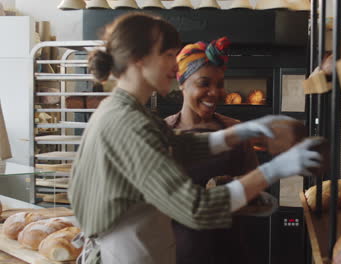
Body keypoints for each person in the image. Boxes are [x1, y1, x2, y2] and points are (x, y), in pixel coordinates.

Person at [68, 13, 322, 264]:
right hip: (129, 255)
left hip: (144, 247)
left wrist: (244, 131)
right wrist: (275, 169)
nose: (174, 66)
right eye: (168, 55)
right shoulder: (128, 123)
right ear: (139, 60)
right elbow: (195, 209)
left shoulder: (126, 110)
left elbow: (177, 143)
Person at [165, 37, 258, 264]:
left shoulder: (235, 130)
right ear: (182, 83)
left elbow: (257, 187)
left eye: (219, 84)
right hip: (175, 254)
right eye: (204, 83)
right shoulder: (163, 132)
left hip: (229, 252)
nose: (215, 92)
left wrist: (236, 185)